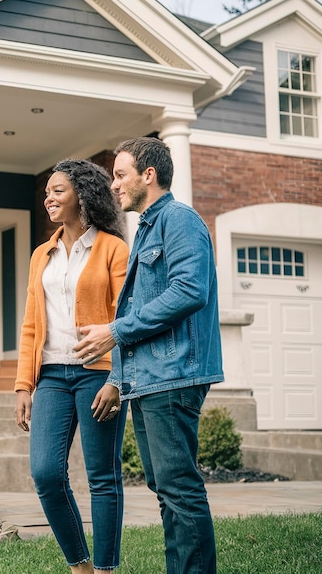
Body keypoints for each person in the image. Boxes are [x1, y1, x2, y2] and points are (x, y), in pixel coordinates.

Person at [75, 137, 224, 574]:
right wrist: (120, 378)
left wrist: (114, 332)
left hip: (175, 374)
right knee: (166, 487)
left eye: (120, 175)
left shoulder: (179, 220)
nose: (114, 186)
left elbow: (188, 291)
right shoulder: (147, 227)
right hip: (151, 378)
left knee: (178, 488)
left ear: (148, 175)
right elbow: (138, 307)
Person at [14, 159, 130, 574]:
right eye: (47, 191)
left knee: (102, 476)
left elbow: (124, 317)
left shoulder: (114, 249)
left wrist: (118, 379)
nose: (48, 197)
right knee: (45, 472)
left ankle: (104, 568)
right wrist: (23, 385)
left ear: (83, 194)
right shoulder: (40, 254)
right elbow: (31, 321)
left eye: (58, 190)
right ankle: (79, 565)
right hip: (52, 375)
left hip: (99, 374)